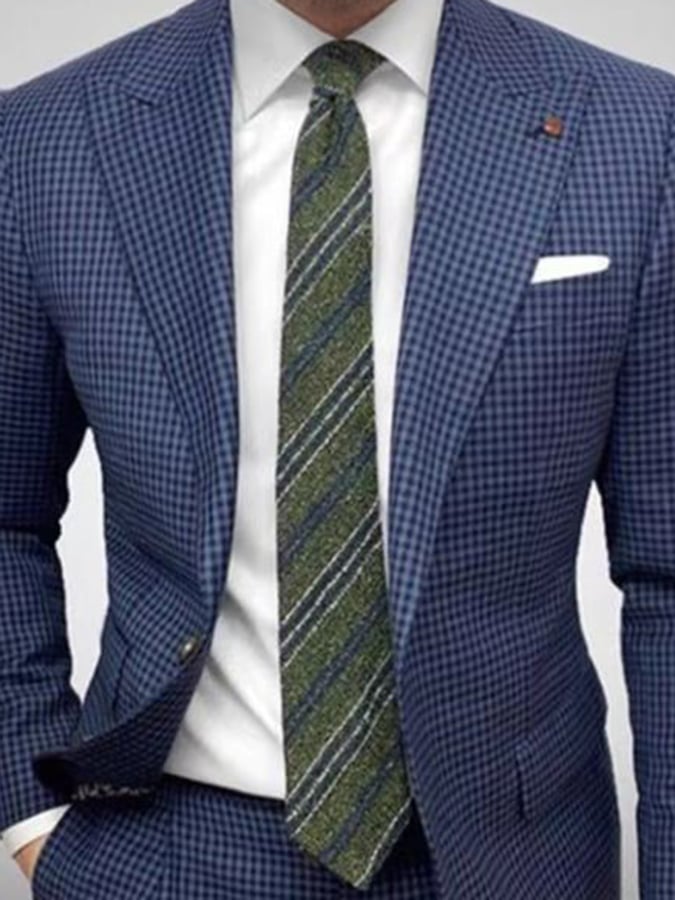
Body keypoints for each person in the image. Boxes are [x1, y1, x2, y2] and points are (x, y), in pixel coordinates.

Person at [0, 0, 673, 896]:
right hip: (164, 850)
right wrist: (32, 817)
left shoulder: (637, 131)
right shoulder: (47, 138)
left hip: (514, 856)